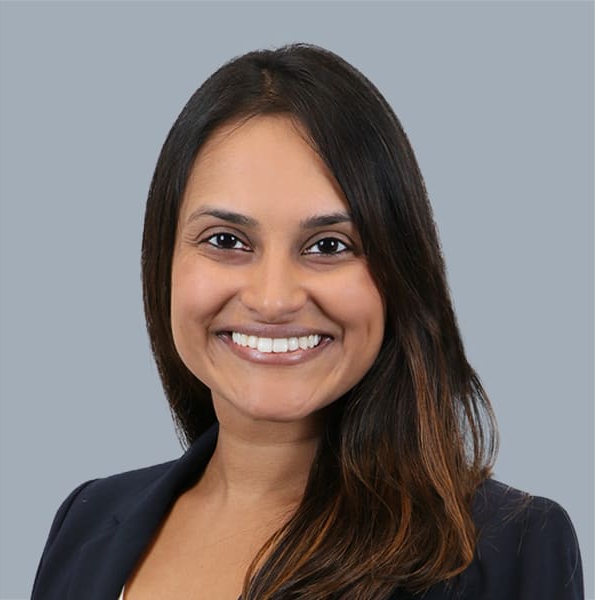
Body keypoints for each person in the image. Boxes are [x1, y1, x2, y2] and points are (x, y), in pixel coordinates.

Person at [30, 43, 584, 600]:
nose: (273, 299)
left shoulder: (512, 550)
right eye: (226, 240)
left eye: (328, 245)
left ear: (399, 271)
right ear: (164, 262)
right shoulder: (84, 524)